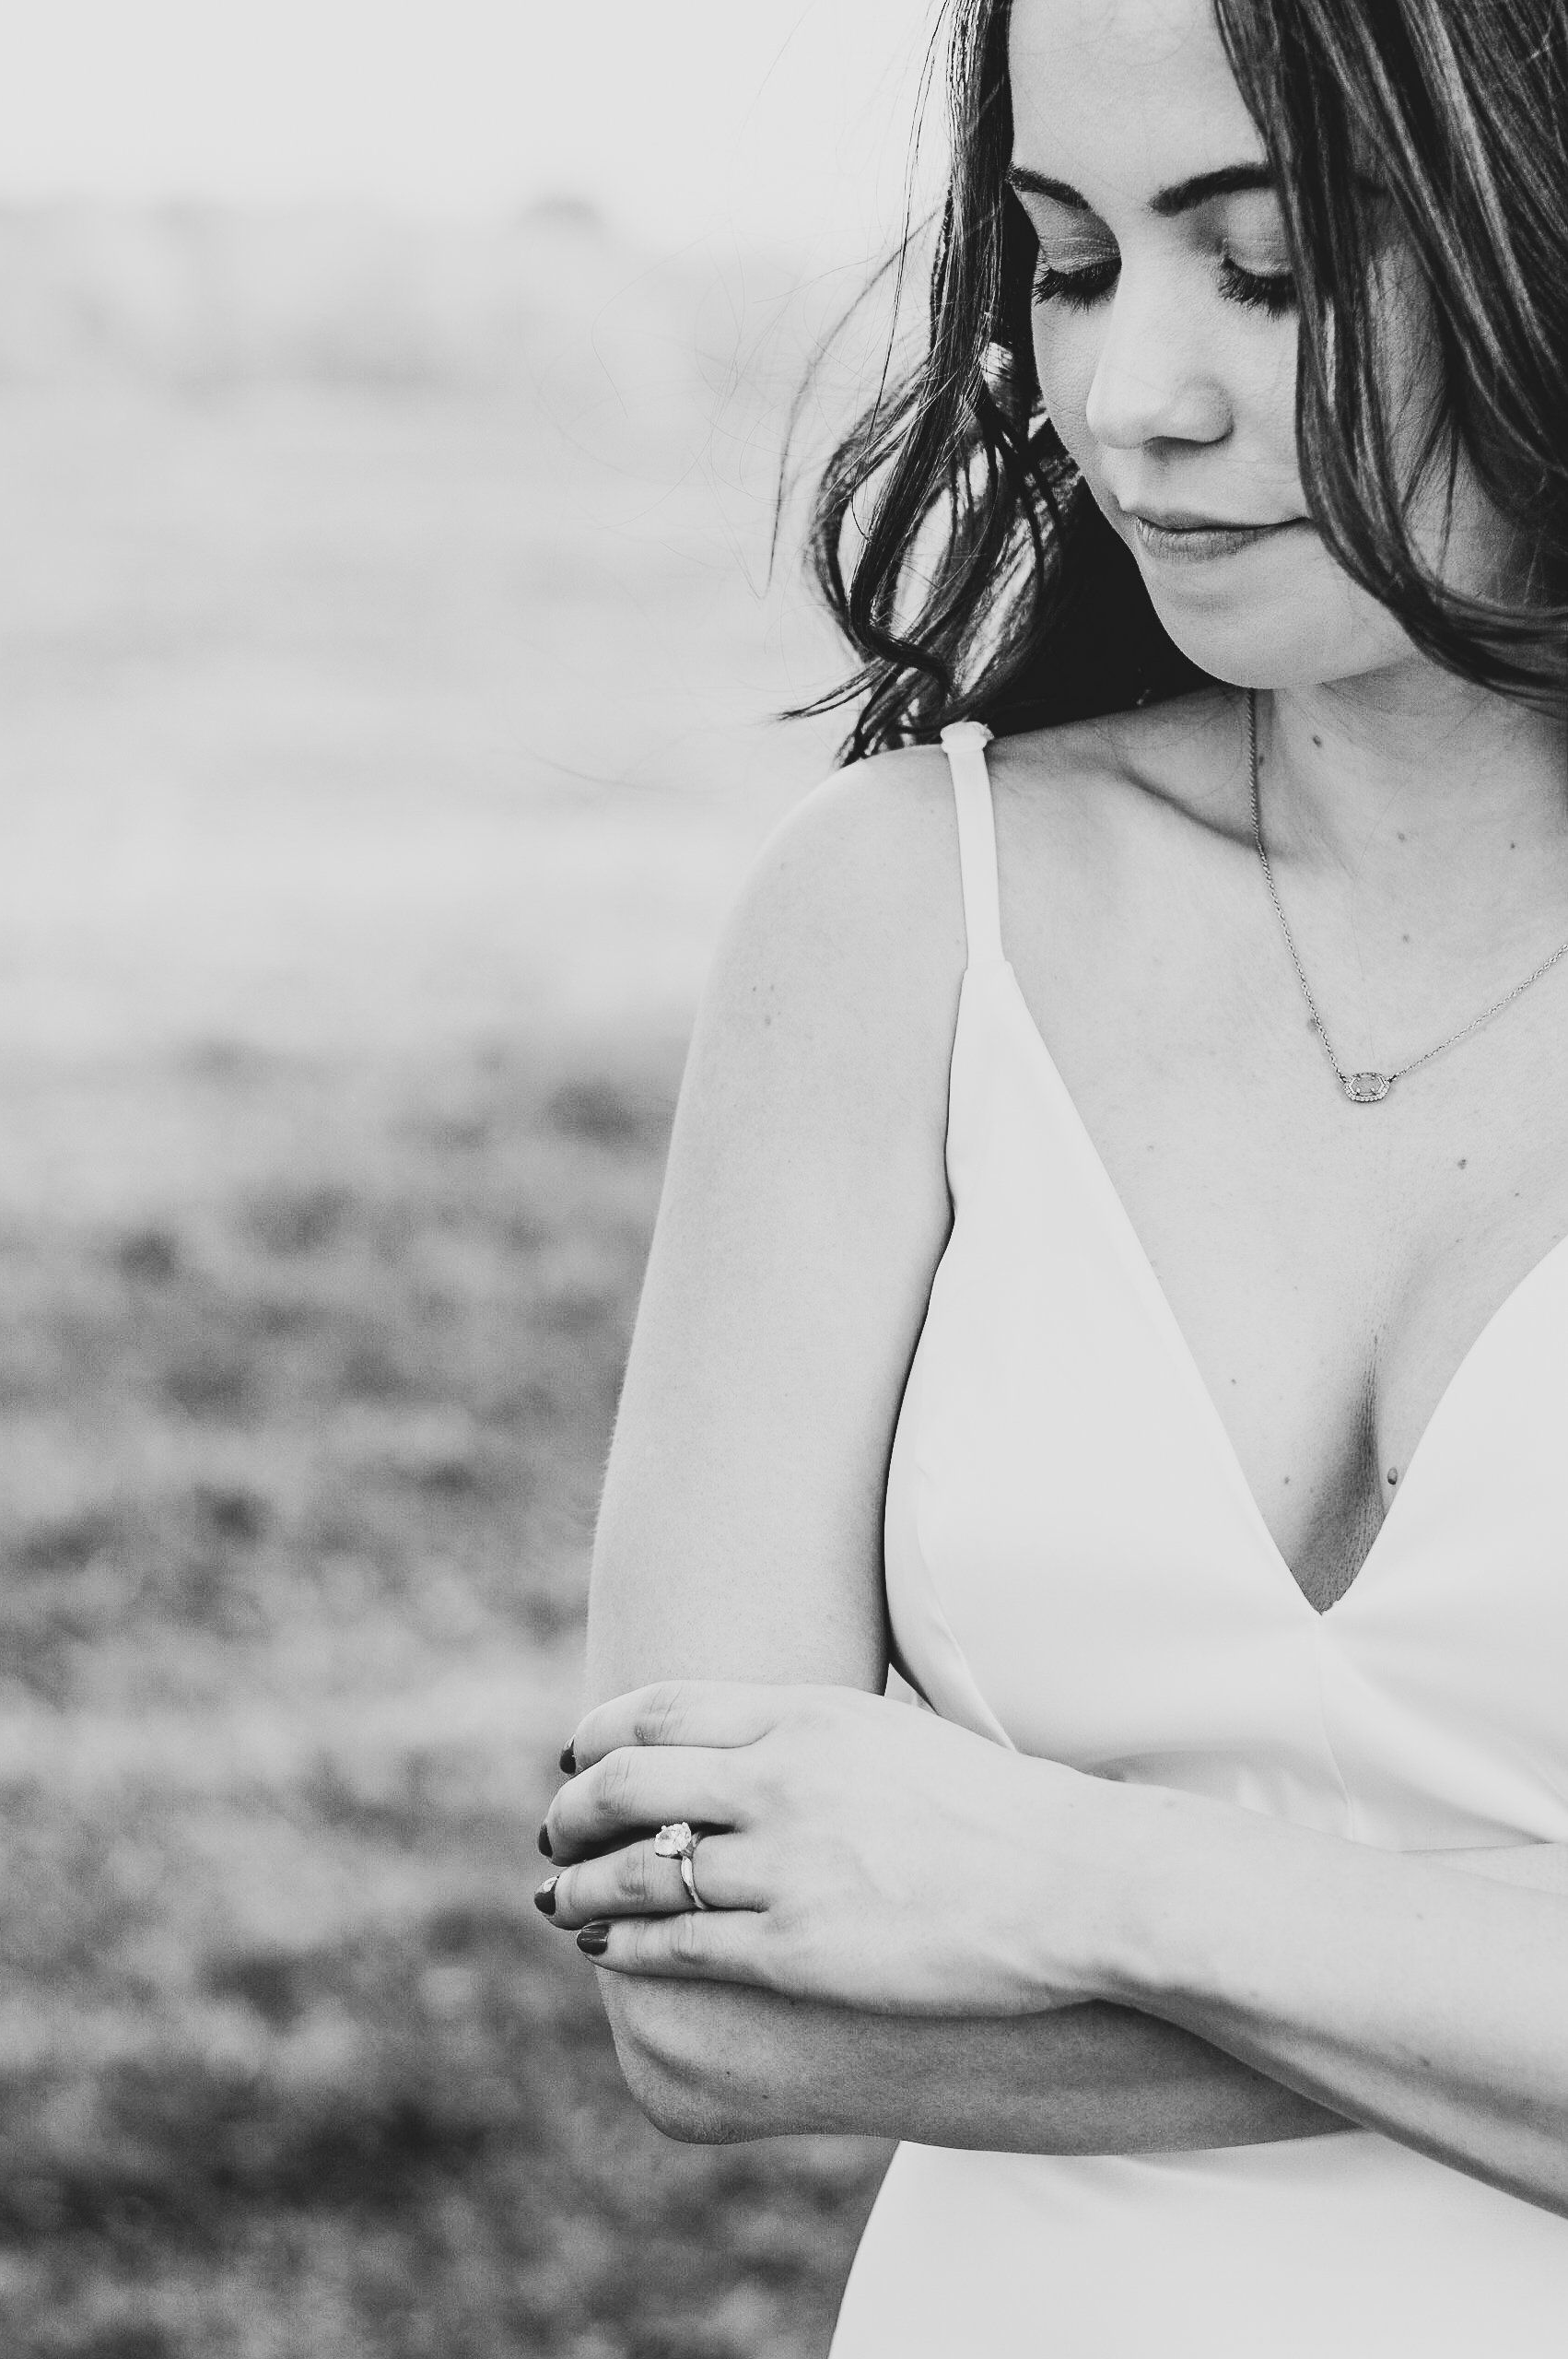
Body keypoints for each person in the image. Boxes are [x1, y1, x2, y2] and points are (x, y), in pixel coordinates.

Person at [536, 0, 1568, 2347]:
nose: (1129, 398)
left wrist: (1064, 1874)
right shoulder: (901, 917)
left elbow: (885, 1911)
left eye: (1279, 269)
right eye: (1070, 260)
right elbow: (708, 1992)